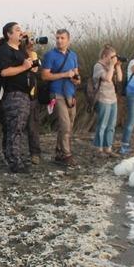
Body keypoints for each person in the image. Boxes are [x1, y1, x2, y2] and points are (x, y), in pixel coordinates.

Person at [0, 22, 36, 173]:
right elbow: (4, 72)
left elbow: (31, 67)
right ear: (9, 34)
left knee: (16, 128)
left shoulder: (21, 51)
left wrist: (30, 50)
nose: (21, 32)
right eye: (17, 30)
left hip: (25, 94)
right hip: (13, 94)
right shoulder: (4, 51)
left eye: (21, 29)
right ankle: (14, 162)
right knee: (15, 128)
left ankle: (11, 156)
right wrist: (24, 67)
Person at [41, 29, 80, 166]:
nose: (59, 40)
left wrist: (76, 80)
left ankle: (59, 152)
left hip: (70, 93)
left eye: (62, 38)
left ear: (68, 40)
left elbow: (76, 73)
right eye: (57, 38)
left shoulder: (73, 55)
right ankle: (67, 155)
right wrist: (64, 75)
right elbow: (45, 75)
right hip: (56, 94)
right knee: (65, 126)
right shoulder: (50, 55)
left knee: (69, 125)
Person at [92, 44, 123, 157]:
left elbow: (119, 79)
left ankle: (108, 148)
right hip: (103, 98)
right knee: (102, 124)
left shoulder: (111, 65)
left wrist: (118, 66)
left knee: (111, 125)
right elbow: (108, 78)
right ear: (105, 56)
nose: (114, 59)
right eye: (112, 56)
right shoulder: (98, 66)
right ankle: (99, 148)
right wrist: (112, 65)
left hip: (112, 98)